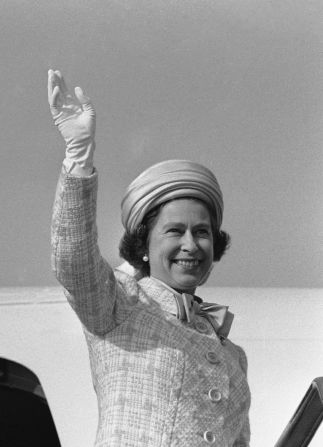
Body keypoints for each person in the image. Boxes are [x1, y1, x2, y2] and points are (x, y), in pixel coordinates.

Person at [48, 69, 250, 446]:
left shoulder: (232, 355)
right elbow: (73, 262)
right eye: (175, 231)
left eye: (202, 232)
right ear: (143, 243)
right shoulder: (119, 304)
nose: (190, 245)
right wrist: (79, 158)